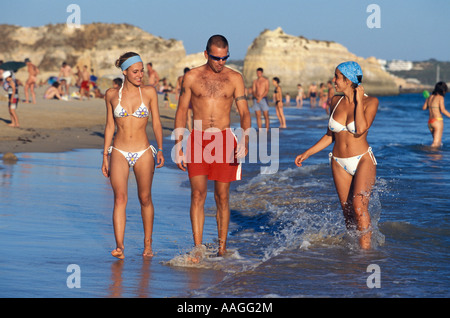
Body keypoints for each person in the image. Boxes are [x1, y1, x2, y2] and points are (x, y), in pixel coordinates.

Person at [174, 35, 251, 261]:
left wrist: (245, 139)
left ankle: (222, 248)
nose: (221, 62)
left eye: (224, 57)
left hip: (225, 139)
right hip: (197, 139)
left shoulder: (235, 78)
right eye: (216, 58)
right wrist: (179, 145)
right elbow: (181, 111)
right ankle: (198, 247)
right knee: (197, 194)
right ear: (206, 54)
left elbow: (245, 112)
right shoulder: (191, 77)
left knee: (222, 197)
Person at [295, 61, 379, 250]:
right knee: (347, 212)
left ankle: (364, 254)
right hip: (338, 162)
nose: (333, 80)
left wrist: (357, 101)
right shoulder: (335, 101)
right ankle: (352, 249)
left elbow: (360, 129)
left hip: (362, 160)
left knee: (359, 206)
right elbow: (329, 135)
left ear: (348, 80)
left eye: (337, 77)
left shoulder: (371, 102)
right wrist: (307, 153)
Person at [102, 52, 165, 259]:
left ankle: (148, 244)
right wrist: (105, 154)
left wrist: (161, 149)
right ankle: (119, 246)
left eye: (142, 71)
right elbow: (110, 125)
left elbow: (156, 122)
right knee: (119, 198)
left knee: (145, 198)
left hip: (143, 152)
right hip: (119, 151)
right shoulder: (111, 95)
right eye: (135, 71)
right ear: (125, 72)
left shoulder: (149, 93)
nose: (140, 75)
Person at [422, 82, 450, 148]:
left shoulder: (429, 97)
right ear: (443, 90)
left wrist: (427, 99)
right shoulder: (440, 98)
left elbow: (424, 108)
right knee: (436, 144)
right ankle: (427, 155)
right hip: (437, 121)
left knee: (438, 143)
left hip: (430, 123)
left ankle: (434, 157)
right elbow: (443, 110)